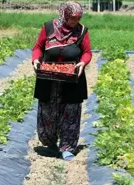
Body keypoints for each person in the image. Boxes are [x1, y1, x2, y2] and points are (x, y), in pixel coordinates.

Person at [31, 1, 92, 161]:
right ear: (64, 15)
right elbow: (38, 47)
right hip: (49, 78)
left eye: (77, 19)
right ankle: (50, 144)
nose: (74, 22)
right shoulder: (49, 27)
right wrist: (36, 60)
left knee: (70, 112)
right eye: (72, 18)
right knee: (47, 111)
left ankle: (67, 147)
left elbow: (87, 52)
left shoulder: (82, 31)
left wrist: (82, 63)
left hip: (71, 79)